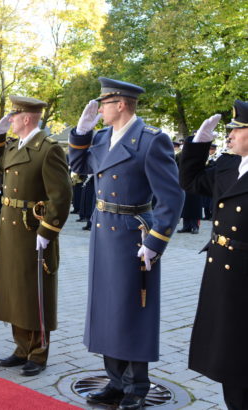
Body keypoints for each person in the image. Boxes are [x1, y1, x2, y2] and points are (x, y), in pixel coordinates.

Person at [68, 78, 184, 410]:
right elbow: (78, 167)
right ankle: (115, 381)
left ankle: (137, 386)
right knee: (107, 308)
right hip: (104, 232)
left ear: (121, 104)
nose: (98, 109)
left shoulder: (151, 141)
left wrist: (155, 241)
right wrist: (81, 134)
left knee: (132, 309)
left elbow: (171, 198)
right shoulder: (103, 137)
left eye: (103, 104)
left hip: (133, 235)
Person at [0, 96, 72, 377]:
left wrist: (48, 230)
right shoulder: (15, 145)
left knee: (35, 291)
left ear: (26, 118)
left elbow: (61, 196)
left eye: (13, 115)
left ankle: (38, 352)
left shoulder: (48, 150)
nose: (10, 119)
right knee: (15, 290)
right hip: (11, 229)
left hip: (31, 229)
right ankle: (21, 347)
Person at [180, 100, 248, 410]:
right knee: (226, 354)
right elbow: (190, 181)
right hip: (221, 271)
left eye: (237, 129)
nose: (230, 135)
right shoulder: (228, 165)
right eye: (229, 130)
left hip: (244, 275)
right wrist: (198, 145)